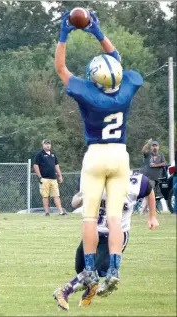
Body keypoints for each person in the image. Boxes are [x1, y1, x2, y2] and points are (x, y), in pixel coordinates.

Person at [55, 11, 143, 295]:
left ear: (94, 78)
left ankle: (90, 271)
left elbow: (61, 69)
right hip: (120, 156)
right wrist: (97, 32)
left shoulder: (88, 92)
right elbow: (117, 60)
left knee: (91, 218)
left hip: (95, 156)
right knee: (115, 218)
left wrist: (64, 34)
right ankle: (115, 269)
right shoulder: (126, 88)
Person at [53, 173, 159, 311]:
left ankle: (64, 291)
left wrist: (152, 216)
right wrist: (83, 195)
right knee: (80, 267)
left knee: (92, 270)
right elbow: (75, 202)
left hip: (114, 236)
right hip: (93, 231)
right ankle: (91, 289)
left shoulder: (135, 182)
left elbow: (149, 191)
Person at [33, 139, 66, 216]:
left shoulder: (53, 154)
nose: (48, 145)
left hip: (53, 179)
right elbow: (35, 166)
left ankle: (61, 212)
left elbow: (56, 165)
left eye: (49, 144)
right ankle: (47, 212)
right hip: (44, 179)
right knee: (45, 196)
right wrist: (40, 177)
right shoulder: (39, 154)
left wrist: (60, 175)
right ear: (43, 145)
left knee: (56, 196)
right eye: (46, 144)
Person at [173, 140, 177, 214]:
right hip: (175, 175)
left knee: (175, 188)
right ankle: (175, 210)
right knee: (174, 193)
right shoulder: (175, 153)